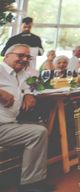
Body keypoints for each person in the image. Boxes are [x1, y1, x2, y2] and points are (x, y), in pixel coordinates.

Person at [0, 44, 51, 192]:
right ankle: (31, 185)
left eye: (28, 57)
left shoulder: (22, 74)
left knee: (40, 130)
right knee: (38, 132)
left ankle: (31, 182)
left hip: (9, 125)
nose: (24, 59)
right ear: (7, 55)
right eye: (20, 55)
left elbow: (28, 86)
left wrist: (28, 93)